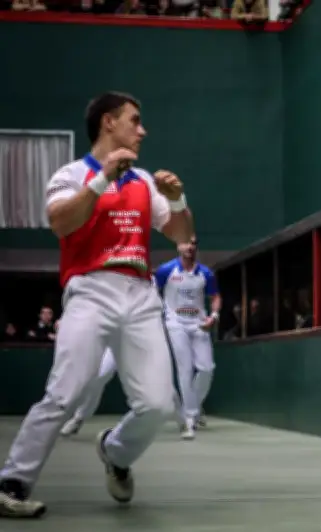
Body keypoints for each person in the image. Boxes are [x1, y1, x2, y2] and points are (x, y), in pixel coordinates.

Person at [0, 91, 194, 519]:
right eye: (134, 120)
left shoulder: (144, 181)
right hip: (89, 290)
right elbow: (60, 222)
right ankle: (13, 481)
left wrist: (177, 199)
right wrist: (101, 179)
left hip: (141, 293)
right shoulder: (70, 174)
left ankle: (116, 452)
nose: (142, 130)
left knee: (160, 404)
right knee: (64, 393)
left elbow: (181, 235)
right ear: (109, 122)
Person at [154, 236, 221, 441]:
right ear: (178, 245)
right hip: (175, 323)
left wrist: (214, 316)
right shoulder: (165, 271)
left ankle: (193, 404)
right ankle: (190, 418)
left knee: (207, 368)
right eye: (185, 242)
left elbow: (215, 296)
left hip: (199, 324)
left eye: (193, 243)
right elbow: (151, 292)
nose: (189, 247)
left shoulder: (205, 273)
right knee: (185, 368)